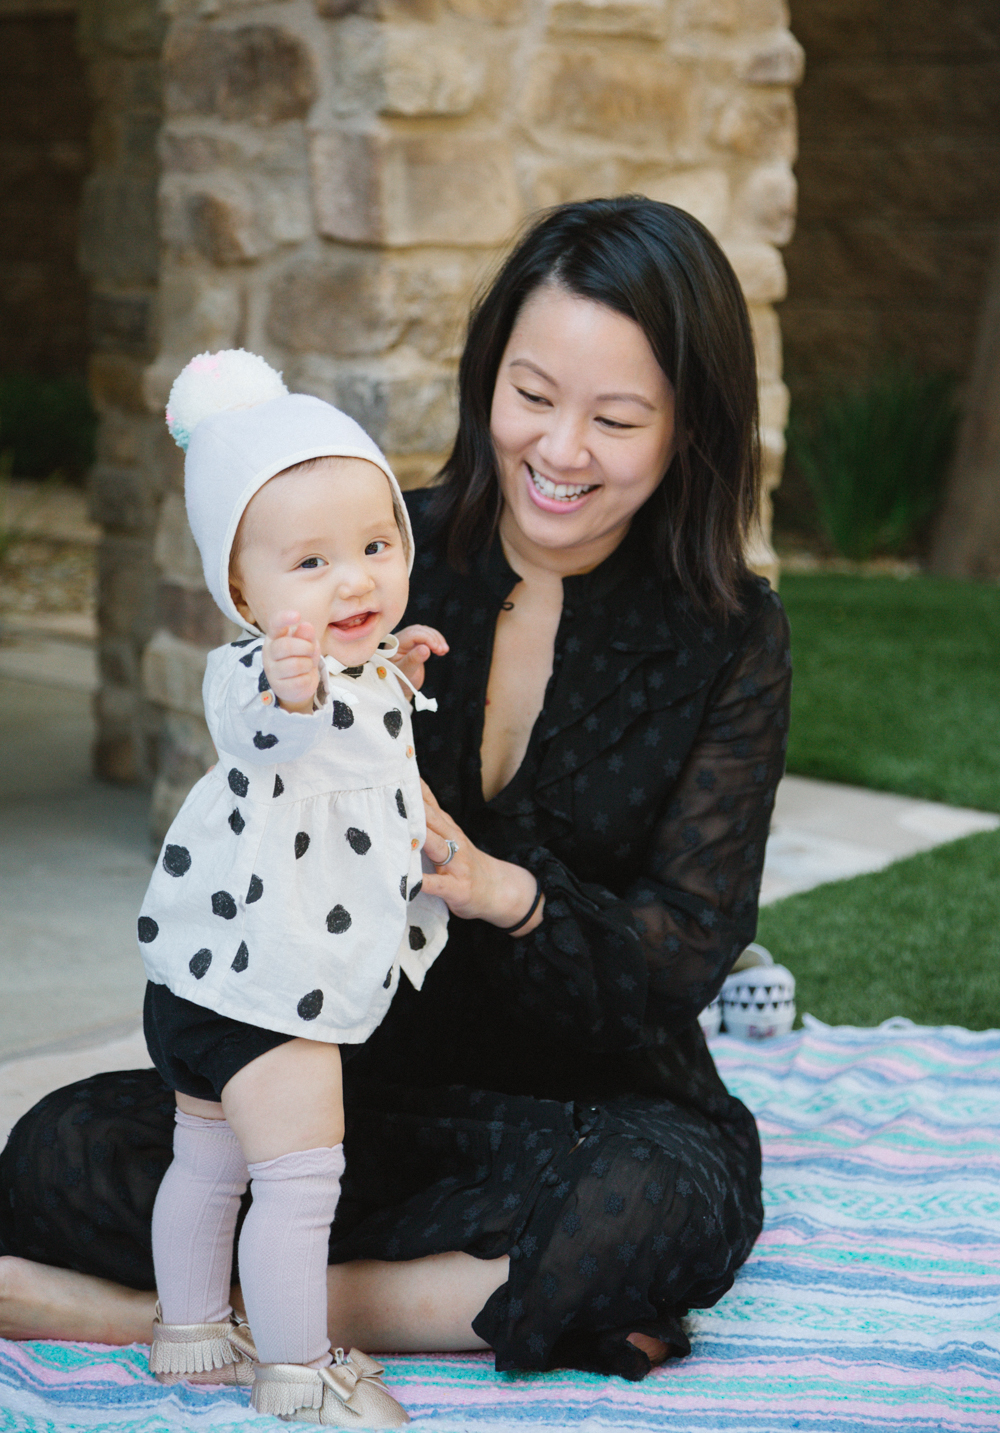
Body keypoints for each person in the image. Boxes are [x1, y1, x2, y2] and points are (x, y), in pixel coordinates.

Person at [0, 196, 791, 1384]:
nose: (560, 451)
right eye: (532, 396)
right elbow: (258, 758)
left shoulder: (729, 637)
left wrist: (504, 892)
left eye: (616, 419)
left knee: (662, 1208)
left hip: (583, 1101)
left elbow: (683, 952)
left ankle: (173, 1313)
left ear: (690, 429)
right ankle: (436, 1303)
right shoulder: (377, 556)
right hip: (340, 1070)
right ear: (487, 378)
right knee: (60, 1148)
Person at [135, 350, 455, 1424]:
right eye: (311, 562)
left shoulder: (354, 665)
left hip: (202, 983)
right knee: (300, 1183)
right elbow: (275, 735)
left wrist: (397, 668)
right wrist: (294, 690)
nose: (354, 580)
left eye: (375, 546)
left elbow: (355, 733)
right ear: (240, 591)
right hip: (275, 994)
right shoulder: (258, 679)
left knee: (207, 1163)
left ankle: (189, 1330)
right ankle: (298, 1369)